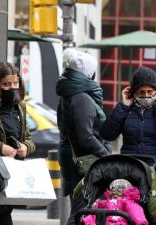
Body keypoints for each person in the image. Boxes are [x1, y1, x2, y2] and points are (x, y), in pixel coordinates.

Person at [100, 67, 156, 225]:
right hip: (132, 174)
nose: (146, 96)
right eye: (142, 92)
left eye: (150, 92)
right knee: (132, 218)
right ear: (133, 93)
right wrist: (122, 106)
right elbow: (107, 134)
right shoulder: (127, 110)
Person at [56, 48, 111, 225]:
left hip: (75, 161)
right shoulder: (82, 98)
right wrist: (106, 155)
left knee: (80, 210)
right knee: (80, 212)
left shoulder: (69, 94)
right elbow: (85, 136)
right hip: (84, 164)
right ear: (88, 73)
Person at [0, 62, 36, 225]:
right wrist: (0, 148)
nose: (11, 88)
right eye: (6, 84)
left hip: (10, 176)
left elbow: (29, 138)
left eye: (14, 83)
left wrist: (25, 148)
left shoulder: (20, 107)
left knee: (4, 214)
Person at [82, 179, 148, 225]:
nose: (116, 195)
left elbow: (135, 211)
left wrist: (140, 222)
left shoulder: (128, 203)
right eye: (114, 194)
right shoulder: (103, 203)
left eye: (118, 194)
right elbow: (95, 213)